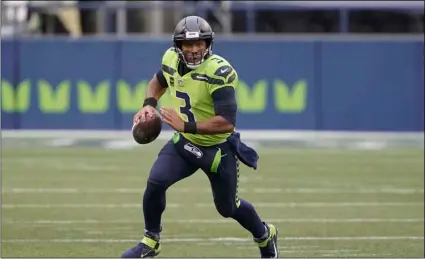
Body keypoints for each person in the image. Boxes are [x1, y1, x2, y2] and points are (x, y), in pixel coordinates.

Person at [121, 15, 279, 258]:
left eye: (199, 44)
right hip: (185, 144)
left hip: (217, 150)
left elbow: (226, 122)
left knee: (228, 208)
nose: (194, 50)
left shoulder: (219, 71)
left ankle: (265, 234)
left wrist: (186, 125)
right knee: (155, 182)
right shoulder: (171, 59)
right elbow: (158, 80)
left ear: (208, 45)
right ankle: (150, 241)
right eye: (188, 45)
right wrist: (149, 104)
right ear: (179, 46)